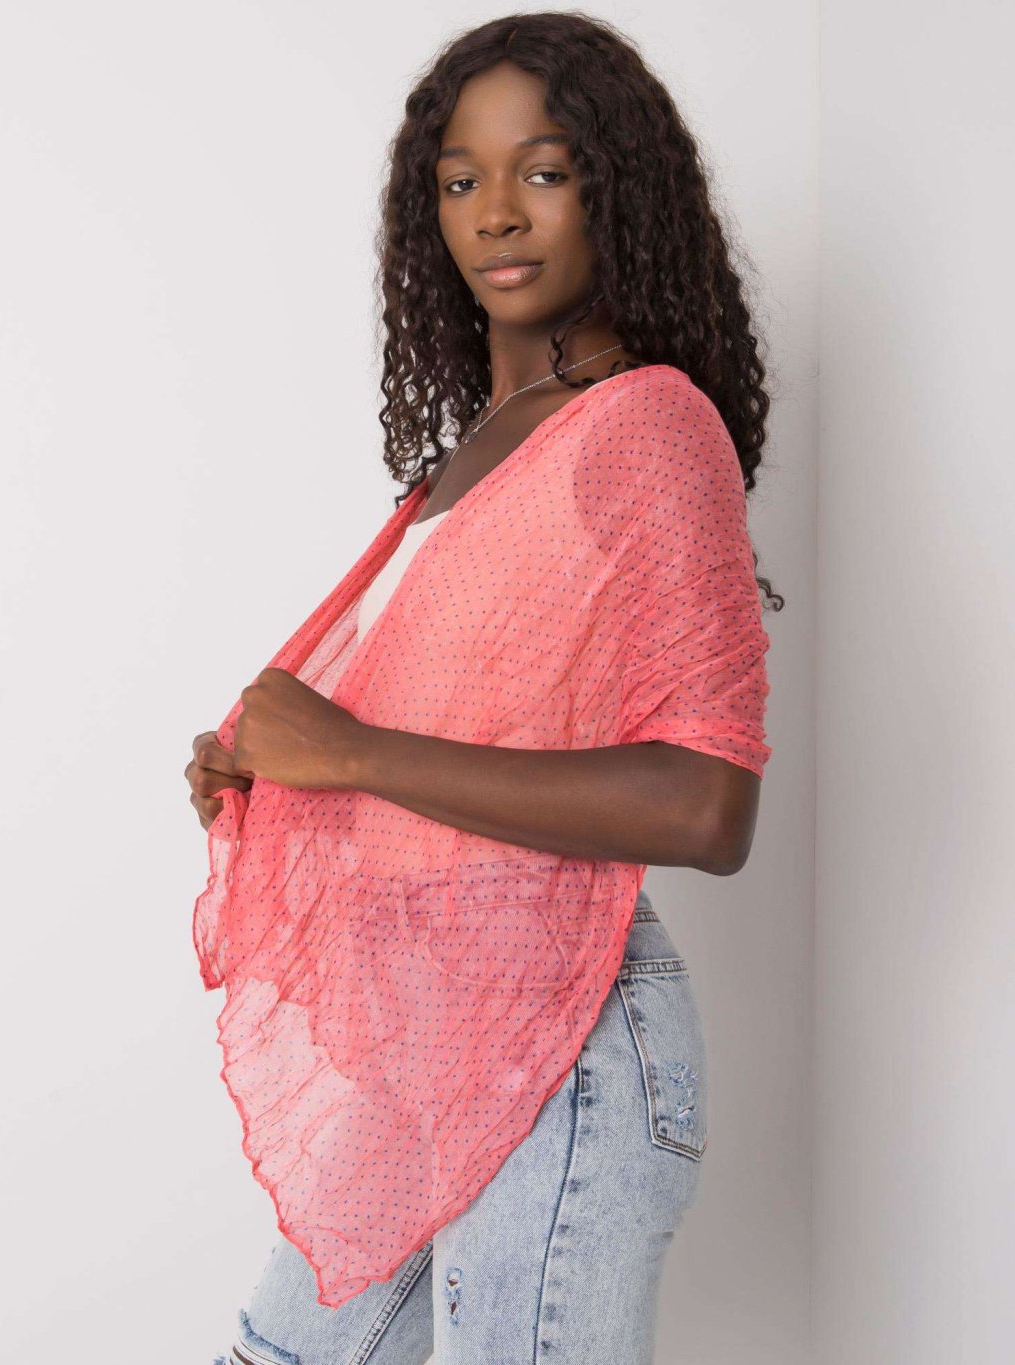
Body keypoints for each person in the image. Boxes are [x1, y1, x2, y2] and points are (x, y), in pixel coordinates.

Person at [187, 13, 782, 1364]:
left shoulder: (646, 425)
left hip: (566, 1048)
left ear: (617, 191)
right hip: (443, 1043)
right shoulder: (473, 456)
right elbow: (431, 761)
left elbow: (708, 803)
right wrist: (270, 771)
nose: (497, 212)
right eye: (461, 180)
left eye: (544, 170)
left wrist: (349, 753)